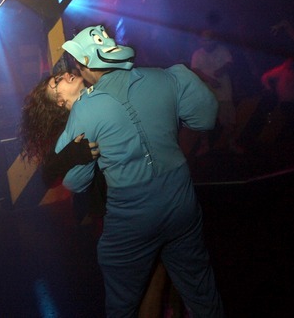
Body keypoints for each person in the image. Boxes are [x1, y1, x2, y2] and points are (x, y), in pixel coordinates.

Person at [49, 25, 223, 317]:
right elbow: (205, 118)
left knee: (122, 303)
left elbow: (74, 180)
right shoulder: (168, 77)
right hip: (181, 201)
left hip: (133, 215)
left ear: (86, 64)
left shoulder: (87, 108)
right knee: (201, 291)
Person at [19, 68, 180, 318]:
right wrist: (73, 153)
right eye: (56, 82)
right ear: (60, 102)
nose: (63, 75)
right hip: (120, 216)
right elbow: (47, 175)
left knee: (167, 274)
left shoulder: (101, 99)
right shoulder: (71, 130)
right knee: (151, 283)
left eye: (60, 75)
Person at [190, 30, 243, 155]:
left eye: (208, 39)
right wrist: (210, 80)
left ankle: (232, 144)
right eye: (203, 40)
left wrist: (221, 70)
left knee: (228, 121)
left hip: (224, 93)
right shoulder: (197, 54)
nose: (206, 42)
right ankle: (205, 146)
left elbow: (230, 63)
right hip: (205, 94)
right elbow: (195, 71)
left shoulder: (222, 50)